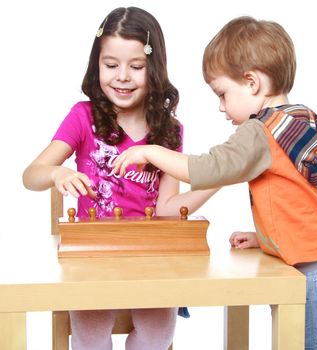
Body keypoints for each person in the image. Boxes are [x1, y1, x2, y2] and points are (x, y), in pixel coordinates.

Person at [111, 16, 317, 349]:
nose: (221, 107)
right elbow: (304, 197)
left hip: (314, 273)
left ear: (252, 83)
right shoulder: (298, 119)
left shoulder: (261, 130)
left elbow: (210, 168)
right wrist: (267, 236)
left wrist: (152, 152)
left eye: (223, 94)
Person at [23, 7, 218, 350]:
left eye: (137, 67)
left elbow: (169, 209)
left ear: (153, 69)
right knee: (90, 333)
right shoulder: (83, 117)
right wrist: (57, 171)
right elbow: (31, 176)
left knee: (159, 335)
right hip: (92, 254)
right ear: (96, 65)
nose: (123, 77)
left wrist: (217, 179)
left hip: (151, 255)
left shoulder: (168, 131)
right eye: (111, 65)